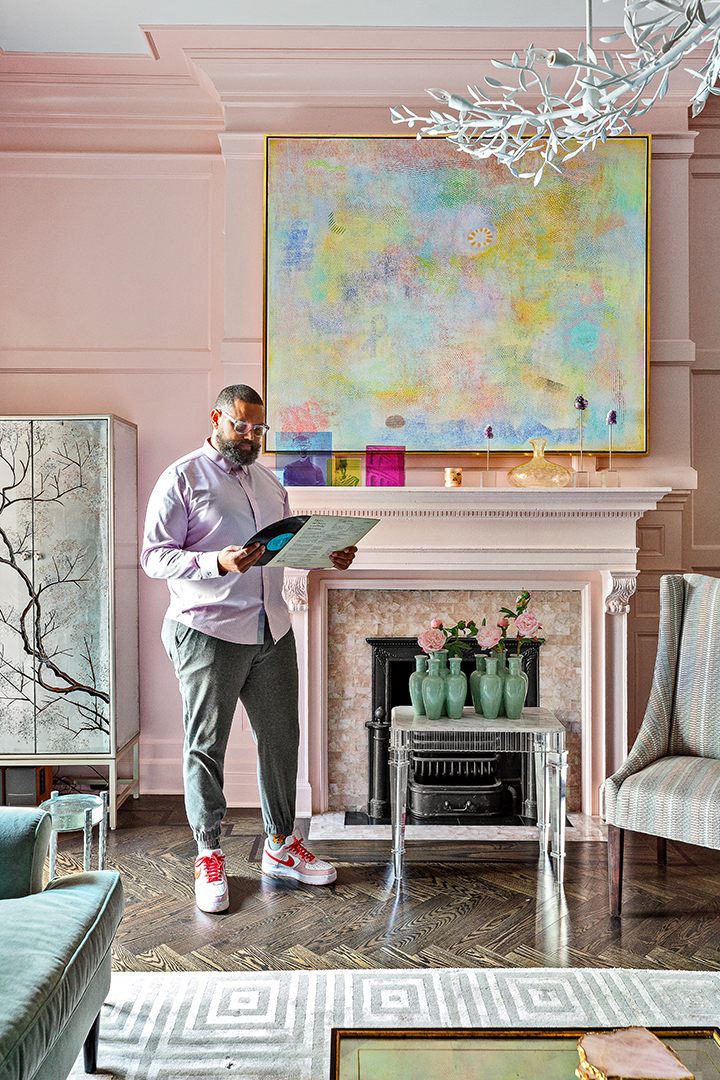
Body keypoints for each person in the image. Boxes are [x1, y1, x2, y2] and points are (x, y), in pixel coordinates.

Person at [141, 384, 356, 913]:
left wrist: (325, 555)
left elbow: (279, 550)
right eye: (242, 426)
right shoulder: (183, 477)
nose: (252, 437)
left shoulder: (269, 483)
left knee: (282, 739)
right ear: (216, 417)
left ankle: (280, 846)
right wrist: (216, 563)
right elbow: (153, 557)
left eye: (259, 429)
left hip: (271, 629)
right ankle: (209, 854)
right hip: (207, 630)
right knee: (205, 746)